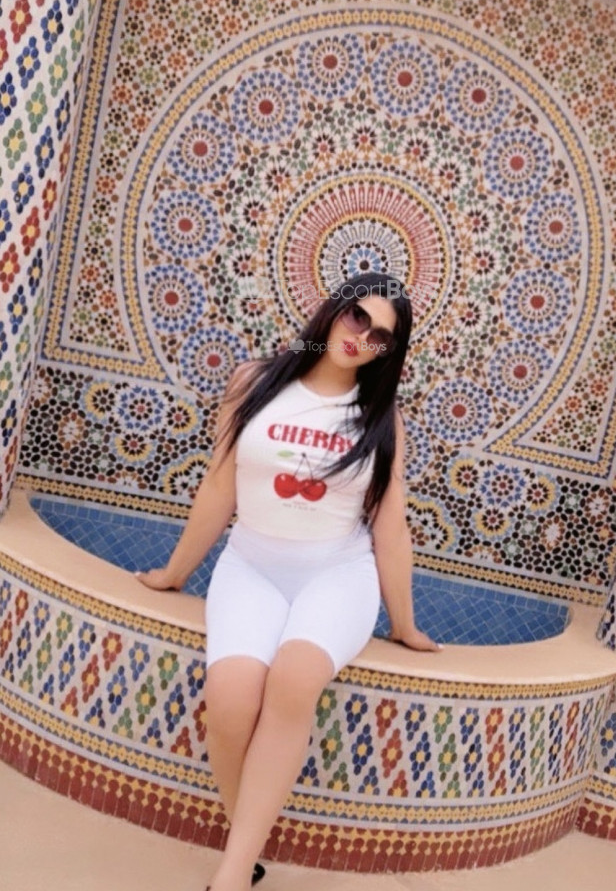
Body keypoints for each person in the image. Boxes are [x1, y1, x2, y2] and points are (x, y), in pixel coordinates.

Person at [137, 272, 441, 891]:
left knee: (293, 681)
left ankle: (230, 875)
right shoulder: (254, 382)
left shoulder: (380, 418)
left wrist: (404, 624)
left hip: (337, 573)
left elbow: (390, 529)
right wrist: (175, 573)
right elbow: (219, 485)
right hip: (251, 564)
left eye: (381, 336)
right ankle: (246, 848)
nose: (363, 336)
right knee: (229, 701)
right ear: (333, 311)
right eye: (357, 316)